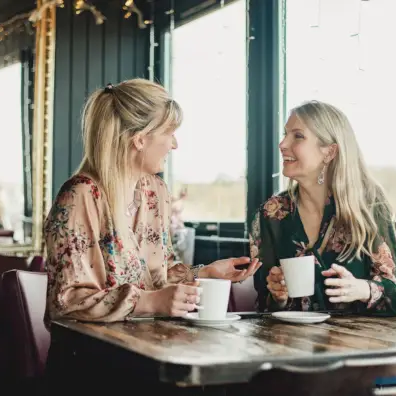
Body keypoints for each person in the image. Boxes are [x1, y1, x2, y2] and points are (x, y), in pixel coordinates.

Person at [43, 79, 261, 324]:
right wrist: (150, 302)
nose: (174, 144)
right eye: (169, 133)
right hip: (93, 352)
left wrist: (205, 272)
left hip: (148, 344)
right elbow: (69, 301)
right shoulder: (80, 196)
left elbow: (158, 277)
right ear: (140, 139)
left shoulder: (155, 192)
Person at [249, 100, 396, 316]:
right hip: (292, 345)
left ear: (329, 152)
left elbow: (395, 297)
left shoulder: (369, 206)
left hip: (356, 345)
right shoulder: (272, 214)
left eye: (298, 136)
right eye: (285, 135)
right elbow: (262, 306)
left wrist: (362, 289)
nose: (282, 144)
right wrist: (277, 296)